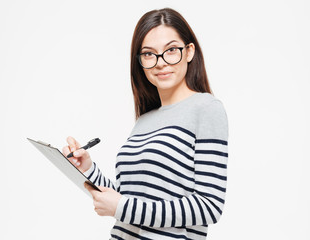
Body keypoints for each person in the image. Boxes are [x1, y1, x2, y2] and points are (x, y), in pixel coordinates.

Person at [62, 8, 228, 240]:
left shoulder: (206, 108)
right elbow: (129, 198)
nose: (160, 62)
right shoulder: (144, 120)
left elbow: (209, 206)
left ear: (189, 52)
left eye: (171, 50)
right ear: (140, 61)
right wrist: (88, 169)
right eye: (149, 54)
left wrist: (122, 207)